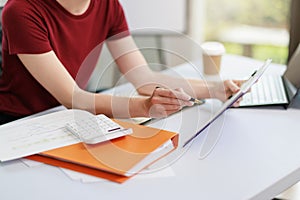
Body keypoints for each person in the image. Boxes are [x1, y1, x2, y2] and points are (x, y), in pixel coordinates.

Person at [0, 0, 242, 125]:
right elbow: (73, 98)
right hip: (20, 122)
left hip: (70, 120)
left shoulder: (107, 4)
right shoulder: (20, 10)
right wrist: (144, 107)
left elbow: (144, 79)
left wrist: (215, 89)